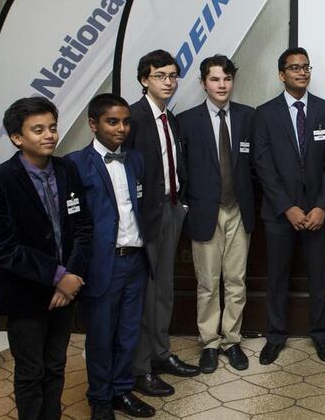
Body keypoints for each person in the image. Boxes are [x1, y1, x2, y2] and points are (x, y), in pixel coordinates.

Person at [0, 97, 92, 420]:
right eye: (38, 129)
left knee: (56, 365)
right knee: (31, 371)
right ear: (18, 138)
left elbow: (84, 226)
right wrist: (58, 275)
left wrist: (72, 276)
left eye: (52, 128)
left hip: (68, 291)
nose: (49, 135)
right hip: (25, 293)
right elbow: (1, 246)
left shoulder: (67, 168)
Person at [253, 47, 325, 364]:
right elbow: (262, 165)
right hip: (280, 214)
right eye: (294, 68)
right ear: (281, 75)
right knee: (277, 278)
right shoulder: (264, 113)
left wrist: (322, 206)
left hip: (318, 212)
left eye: (305, 67)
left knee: (319, 278)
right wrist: (287, 207)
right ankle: (275, 337)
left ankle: (320, 335)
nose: (302, 72)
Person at [68, 94, 153, 419]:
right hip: (103, 263)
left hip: (135, 260)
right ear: (94, 124)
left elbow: (138, 207)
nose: (121, 128)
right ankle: (100, 399)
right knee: (101, 337)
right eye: (112, 121)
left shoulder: (135, 160)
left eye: (125, 122)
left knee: (129, 332)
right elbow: (74, 221)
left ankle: (121, 390)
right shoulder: (76, 164)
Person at [125, 49, 199, 397]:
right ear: (144, 79)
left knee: (164, 291)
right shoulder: (132, 118)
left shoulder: (172, 118)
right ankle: (140, 369)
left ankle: (161, 354)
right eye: (160, 76)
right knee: (145, 295)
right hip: (144, 218)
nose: (168, 82)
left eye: (172, 76)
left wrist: (181, 203)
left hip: (171, 210)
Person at [177, 55, 255, 374]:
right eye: (215, 79)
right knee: (208, 283)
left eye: (227, 79)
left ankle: (231, 339)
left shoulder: (249, 117)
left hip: (239, 209)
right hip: (204, 211)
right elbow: (179, 171)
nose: (222, 85)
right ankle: (209, 341)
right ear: (203, 83)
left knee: (236, 280)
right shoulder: (186, 121)